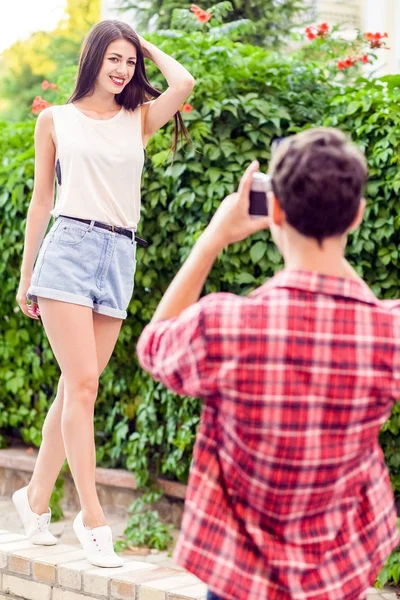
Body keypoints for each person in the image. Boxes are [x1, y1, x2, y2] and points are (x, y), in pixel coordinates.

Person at [137, 128, 400, 599]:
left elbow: (153, 344)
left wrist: (212, 239)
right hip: (339, 574)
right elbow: (373, 311)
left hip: (239, 575)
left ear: (274, 210)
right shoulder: (387, 333)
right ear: (357, 215)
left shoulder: (224, 324)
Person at [14, 19, 195, 567]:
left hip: (119, 254)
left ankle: (33, 498)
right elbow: (41, 202)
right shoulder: (55, 121)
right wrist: (27, 278)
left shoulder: (136, 118)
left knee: (76, 385)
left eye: (128, 61)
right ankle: (92, 518)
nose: (121, 70)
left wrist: (143, 44)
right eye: (112, 58)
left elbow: (183, 84)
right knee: (85, 384)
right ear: (92, 58)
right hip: (67, 249)